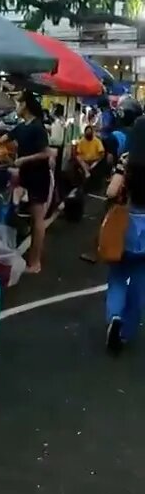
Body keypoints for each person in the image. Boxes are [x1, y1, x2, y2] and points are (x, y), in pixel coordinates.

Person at [0, 92, 55, 273]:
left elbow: (47, 153)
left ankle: (35, 262)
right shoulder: (22, 127)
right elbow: (2, 140)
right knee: (28, 217)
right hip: (26, 177)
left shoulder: (38, 127)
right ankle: (29, 257)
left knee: (37, 219)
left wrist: (24, 160)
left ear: (26, 105)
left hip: (39, 177)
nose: (16, 106)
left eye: (18, 103)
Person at [104, 117, 145, 354]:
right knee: (140, 283)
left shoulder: (127, 160)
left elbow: (111, 191)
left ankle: (114, 317)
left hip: (125, 226)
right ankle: (126, 332)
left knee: (117, 275)